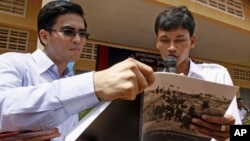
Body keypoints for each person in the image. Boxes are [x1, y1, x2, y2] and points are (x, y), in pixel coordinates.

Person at [0, 1, 155, 141]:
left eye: (83, 34)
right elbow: (4, 108)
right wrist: (93, 84)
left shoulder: (69, 79)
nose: (78, 40)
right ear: (44, 36)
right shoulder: (14, 62)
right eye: (68, 31)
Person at [154, 5, 241, 141]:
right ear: (157, 43)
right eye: (165, 40)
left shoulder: (217, 75)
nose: (171, 48)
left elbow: (241, 133)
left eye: (179, 40)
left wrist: (229, 134)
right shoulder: (151, 84)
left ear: (192, 41)